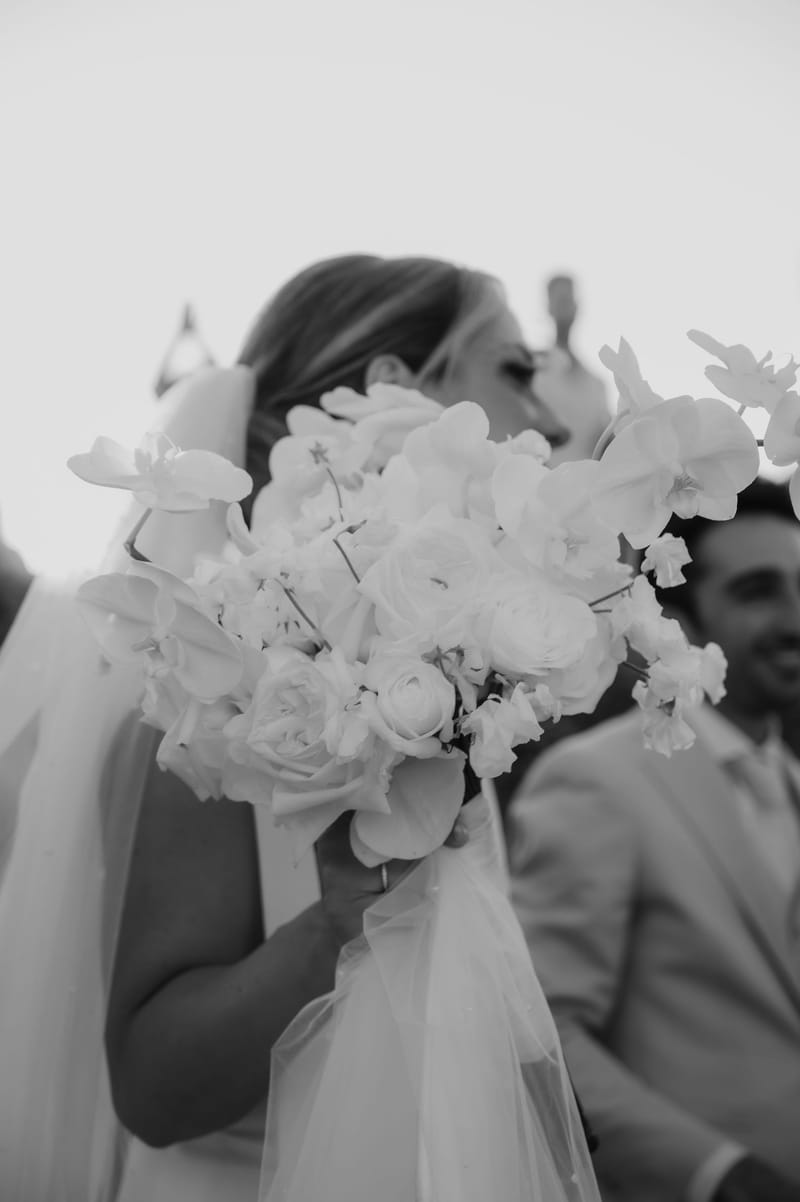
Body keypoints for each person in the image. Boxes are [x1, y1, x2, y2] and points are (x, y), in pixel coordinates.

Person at [0, 253, 586, 1202]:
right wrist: (340, 926)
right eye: (514, 370)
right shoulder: (219, 693)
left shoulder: (446, 685)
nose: (554, 420)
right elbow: (153, 1086)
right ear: (398, 388)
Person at [508, 478, 800, 1202]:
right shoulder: (595, 781)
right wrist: (714, 1172)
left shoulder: (791, 778)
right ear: (680, 616)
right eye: (760, 592)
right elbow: (541, 1037)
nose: (796, 617)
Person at [533, 274, 610, 467]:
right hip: (540, 486)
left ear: (577, 307)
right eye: (559, 301)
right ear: (548, 307)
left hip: (585, 491)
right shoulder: (532, 371)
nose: (565, 308)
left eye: (569, 300)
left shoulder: (596, 384)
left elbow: (603, 441)